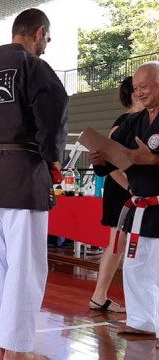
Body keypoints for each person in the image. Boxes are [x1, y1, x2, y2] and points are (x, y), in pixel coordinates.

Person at [0, 8, 68, 358]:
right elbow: (52, 118)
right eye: (47, 39)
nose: (46, 47)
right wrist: (51, 156)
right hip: (23, 177)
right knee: (25, 266)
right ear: (38, 32)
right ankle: (16, 348)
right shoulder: (35, 68)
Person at [89, 61, 159, 345]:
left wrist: (153, 159)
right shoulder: (133, 121)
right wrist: (101, 159)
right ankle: (141, 321)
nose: (139, 93)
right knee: (136, 266)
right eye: (136, 88)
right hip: (140, 207)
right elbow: (111, 149)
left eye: (145, 86)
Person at [90, 76, 142, 313]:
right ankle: (99, 295)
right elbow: (109, 163)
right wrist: (129, 187)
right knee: (117, 243)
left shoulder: (149, 121)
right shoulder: (123, 123)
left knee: (127, 244)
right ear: (133, 92)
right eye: (139, 88)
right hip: (121, 189)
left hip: (138, 188)